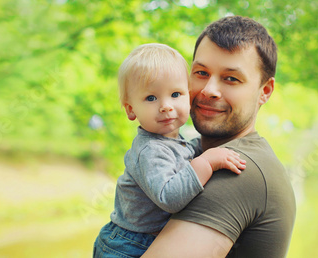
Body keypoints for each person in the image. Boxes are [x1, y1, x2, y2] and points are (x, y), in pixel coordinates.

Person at [143, 16, 297, 257]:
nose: (209, 90)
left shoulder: (238, 170)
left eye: (231, 79)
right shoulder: (188, 150)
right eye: (201, 73)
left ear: (264, 91)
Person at [93, 43, 247, 257]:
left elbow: (183, 153)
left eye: (176, 94)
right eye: (151, 98)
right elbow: (169, 198)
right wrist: (206, 162)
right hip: (128, 245)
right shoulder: (150, 150)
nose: (166, 105)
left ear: (189, 96)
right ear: (131, 110)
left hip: (147, 238)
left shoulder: (173, 141)